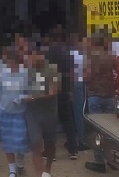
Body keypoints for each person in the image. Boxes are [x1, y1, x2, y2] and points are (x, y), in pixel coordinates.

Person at [24, 41, 61, 177]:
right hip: (32, 113)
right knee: (36, 142)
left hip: (49, 112)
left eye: (34, 55)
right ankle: (39, 174)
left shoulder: (51, 69)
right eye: (30, 55)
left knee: (50, 143)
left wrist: (34, 97)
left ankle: (48, 169)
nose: (31, 59)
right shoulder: (26, 70)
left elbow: (54, 91)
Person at [84, 31, 118, 174]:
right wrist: (114, 85)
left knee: (97, 131)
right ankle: (112, 160)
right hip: (109, 96)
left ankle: (99, 162)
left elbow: (86, 76)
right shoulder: (111, 57)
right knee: (110, 131)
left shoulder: (91, 57)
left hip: (95, 96)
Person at [0, 46, 31, 177]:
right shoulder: (2, 73)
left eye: (10, 61)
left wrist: (21, 98)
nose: (8, 64)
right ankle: (12, 170)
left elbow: (30, 92)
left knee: (21, 140)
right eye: (6, 61)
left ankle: (20, 163)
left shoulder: (25, 73)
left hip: (20, 112)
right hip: (4, 111)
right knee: (8, 142)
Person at [46, 24, 79, 159]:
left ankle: (51, 152)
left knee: (51, 122)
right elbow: (71, 72)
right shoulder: (67, 53)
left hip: (53, 90)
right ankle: (73, 150)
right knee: (68, 120)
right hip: (65, 89)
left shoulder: (48, 53)